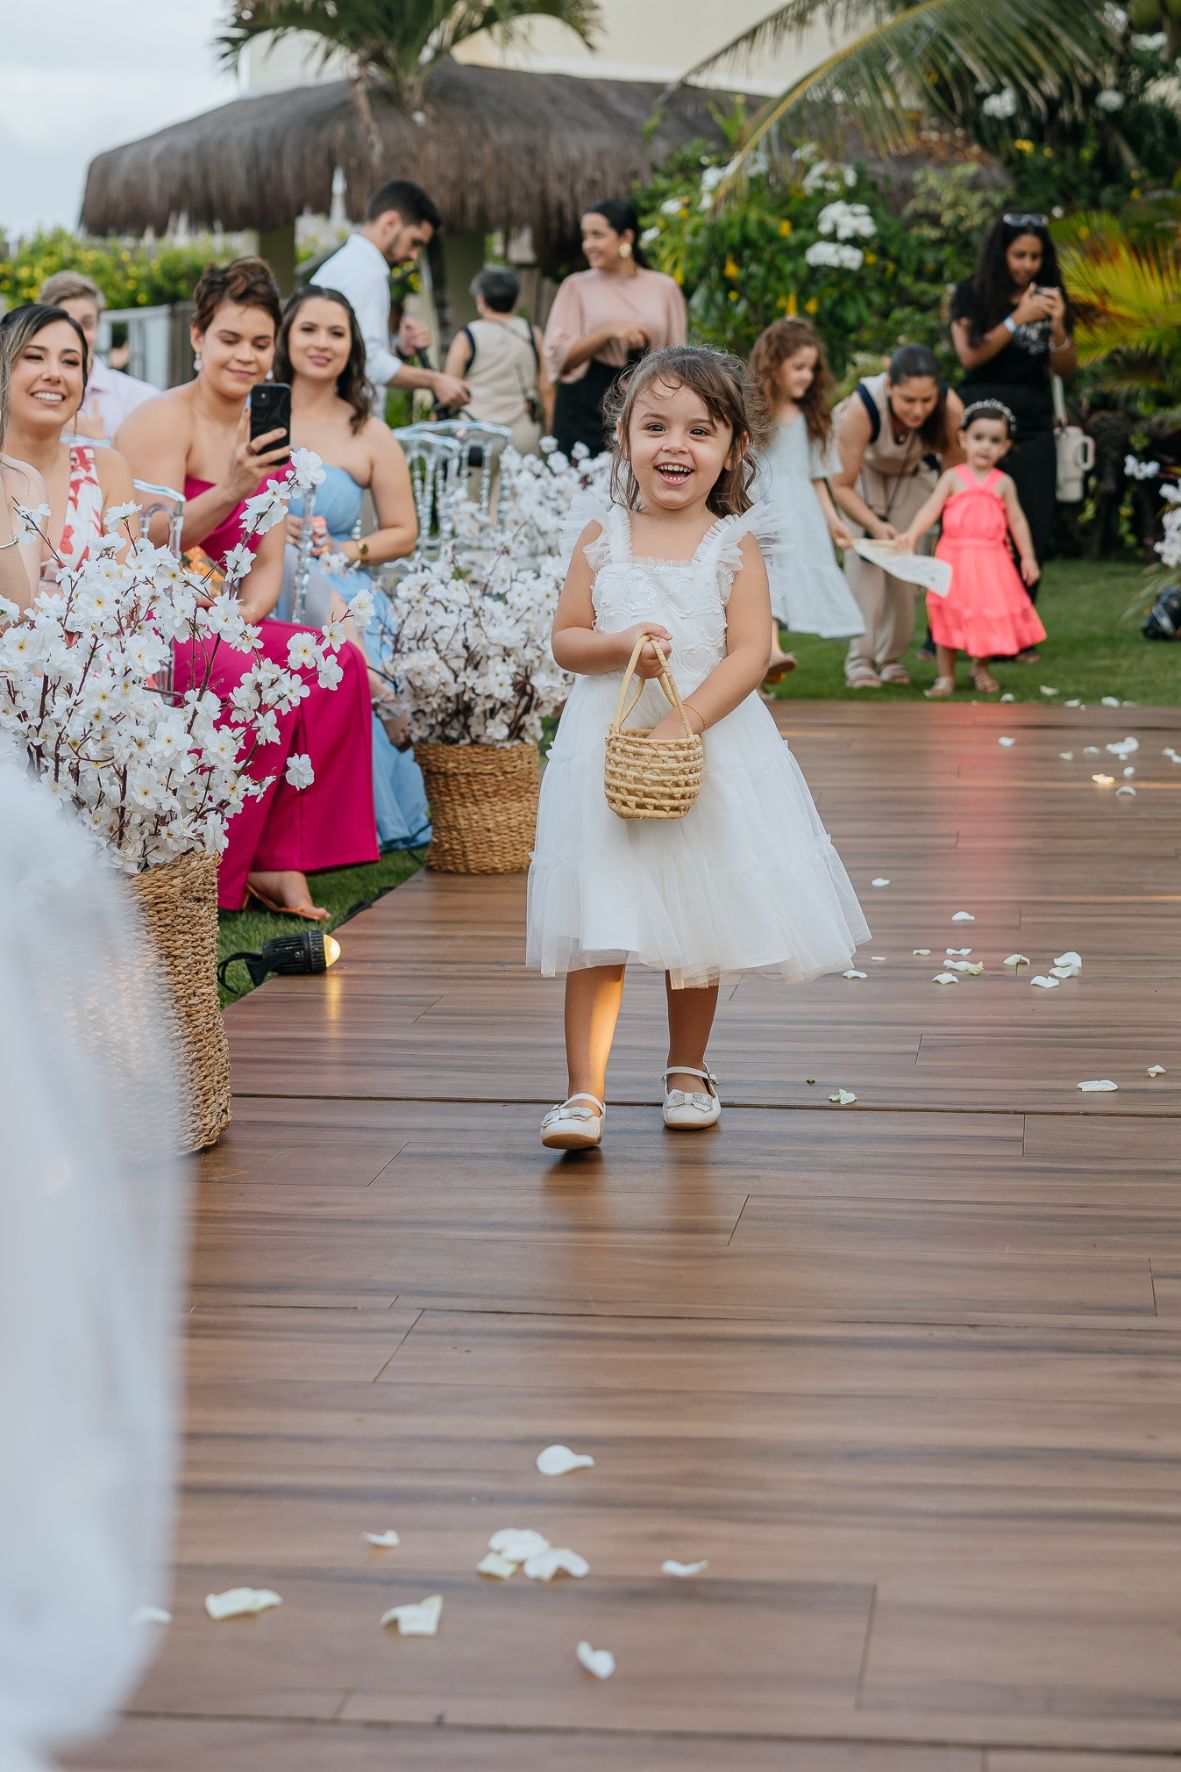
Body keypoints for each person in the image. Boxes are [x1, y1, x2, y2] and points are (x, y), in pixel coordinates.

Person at [527, 345, 869, 1152]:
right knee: (595, 908)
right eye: (654, 426)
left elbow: (749, 653)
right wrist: (618, 648)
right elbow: (566, 640)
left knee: (697, 909)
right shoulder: (600, 538)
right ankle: (583, 1092)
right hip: (605, 748)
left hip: (704, 743)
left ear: (731, 451)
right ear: (624, 439)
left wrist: (680, 725)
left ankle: (688, 1068)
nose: (673, 446)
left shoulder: (732, 545)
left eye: (698, 431)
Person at [117, 257, 378, 919]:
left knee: (337, 661)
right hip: (152, 624)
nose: (247, 356)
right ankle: (222, 872)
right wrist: (231, 486)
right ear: (198, 337)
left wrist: (244, 618)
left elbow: (265, 561)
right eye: (230, 339)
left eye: (261, 344)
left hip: (226, 614)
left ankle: (280, 857)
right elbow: (146, 540)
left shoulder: (264, 433)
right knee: (243, 672)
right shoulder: (160, 420)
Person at [274, 284, 431, 851]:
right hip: (254, 579)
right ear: (286, 336)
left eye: (336, 333)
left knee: (359, 636)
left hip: (335, 581)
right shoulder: (249, 413)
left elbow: (403, 531)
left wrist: (345, 551)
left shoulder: (368, 429)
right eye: (309, 329)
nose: (321, 343)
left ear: (353, 347)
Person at [950, 209, 1075, 627]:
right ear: (1001, 253)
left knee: (1034, 523)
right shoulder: (972, 294)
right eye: (1019, 255)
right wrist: (1016, 318)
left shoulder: (1053, 294)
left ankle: (1016, 626)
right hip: (980, 419)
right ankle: (952, 627)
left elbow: (1066, 371)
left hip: (1034, 421)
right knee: (968, 523)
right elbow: (971, 354)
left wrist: (1056, 326)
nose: (1027, 265)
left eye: (1035, 257)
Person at [831, 344, 964, 689]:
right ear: (890, 387)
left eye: (926, 400)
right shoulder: (861, 407)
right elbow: (841, 484)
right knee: (867, 566)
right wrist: (875, 525)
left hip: (914, 476)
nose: (918, 410)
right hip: (864, 475)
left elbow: (955, 476)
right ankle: (860, 660)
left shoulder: (951, 409)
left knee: (906, 567)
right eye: (908, 400)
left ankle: (891, 658)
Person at [901, 400, 1046, 698]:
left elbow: (1017, 520)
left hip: (992, 562)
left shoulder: (1003, 483)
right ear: (964, 439)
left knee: (986, 615)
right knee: (946, 614)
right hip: (954, 559)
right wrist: (911, 535)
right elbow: (931, 509)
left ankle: (981, 667)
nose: (985, 446)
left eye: (994, 441)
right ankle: (945, 675)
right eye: (979, 438)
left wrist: (1028, 556)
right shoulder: (953, 477)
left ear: (1005, 447)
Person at [749, 317, 864, 683]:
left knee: (782, 575)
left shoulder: (812, 418)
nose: (806, 376)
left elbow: (818, 476)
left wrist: (833, 520)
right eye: (798, 367)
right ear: (774, 365)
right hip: (759, 504)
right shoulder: (753, 412)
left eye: (811, 369)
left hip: (799, 511)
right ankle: (770, 650)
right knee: (762, 575)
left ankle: (768, 655)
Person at [543, 198, 687, 459]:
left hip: (647, 399)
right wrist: (608, 332)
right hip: (585, 404)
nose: (588, 245)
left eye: (597, 235)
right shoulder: (576, 286)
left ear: (626, 237)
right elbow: (559, 359)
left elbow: (679, 356)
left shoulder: (664, 287)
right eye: (585, 236)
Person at [0, 303, 138, 573]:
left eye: (70, 362)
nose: (54, 374)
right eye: (34, 357)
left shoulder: (106, 470)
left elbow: (129, 592)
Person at [315, 179, 469, 414]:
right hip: (342, 418)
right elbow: (369, 363)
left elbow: (354, 355)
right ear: (390, 223)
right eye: (414, 242)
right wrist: (435, 380)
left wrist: (398, 350)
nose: (414, 254)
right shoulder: (364, 274)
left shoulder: (351, 265)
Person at [442, 266, 552, 454]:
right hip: (522, 432)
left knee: (474, 485)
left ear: (481, 300)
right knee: (520, 484)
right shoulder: (532, 334)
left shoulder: (468, 336)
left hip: (477, 432)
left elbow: (448, 389)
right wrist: (549, 434)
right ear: (517, 299)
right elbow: (546, 388)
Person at [37, 269, 157, 441]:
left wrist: (99, 442)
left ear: (98, 326)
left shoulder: (139, 399)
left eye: (87, 324)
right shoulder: (22, 397)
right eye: (65, 322)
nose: (77, 333)